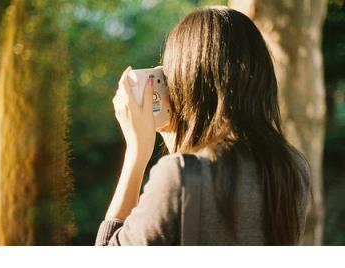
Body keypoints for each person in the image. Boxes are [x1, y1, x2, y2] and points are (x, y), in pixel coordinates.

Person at [94, 6, 310, 246]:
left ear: (186, 83)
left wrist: (136, 152)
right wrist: (177, 135)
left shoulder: (179, 176)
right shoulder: (293, 168)